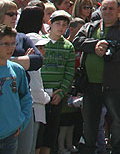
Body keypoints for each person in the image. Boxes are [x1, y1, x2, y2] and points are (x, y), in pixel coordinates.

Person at [73, 0, 120, 154]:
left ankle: (117, 150)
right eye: (105, 8)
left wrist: (110, 53)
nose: (107, 12)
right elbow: (77, 41)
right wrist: (95, 45)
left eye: (111, 9)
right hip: (90, 85)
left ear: (118, 10)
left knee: (116, 121)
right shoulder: (90, 27)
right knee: (89, 123)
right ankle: (90, 149)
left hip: (113, 85)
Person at [38, 11, 75, 154]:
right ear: (50, 24)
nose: (61, 27)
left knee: (51, 132)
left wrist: (62, 91)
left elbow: (69, 72)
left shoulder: (68, 47)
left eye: (64, 25)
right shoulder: (40, 42)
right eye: (58, 24)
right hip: (39, 94)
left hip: (56, 95)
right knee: (38, 132)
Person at [0, 24, 33, 154]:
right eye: (5, 44)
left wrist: (22, 121)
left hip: (10, 135)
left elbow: (25, 96)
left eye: (13, 43)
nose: (10, 48)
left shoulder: (17, 69)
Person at [24, 34, 51, 154]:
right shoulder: (32, 69)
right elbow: (37, 93)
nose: (43, 51)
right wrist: (49, 96)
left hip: (38, 113)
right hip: (33, 112)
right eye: (39, 47)